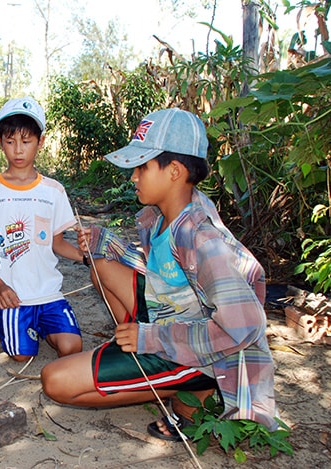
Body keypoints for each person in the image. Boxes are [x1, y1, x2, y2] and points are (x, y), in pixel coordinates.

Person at [40, 108, 278, 440]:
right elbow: (164, 272)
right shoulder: (159, 216)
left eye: (142, 167)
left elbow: (243, 326)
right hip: (169, 319)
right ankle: (163, 375)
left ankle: (196, 388)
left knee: (55, 381)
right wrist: (106, 243)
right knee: (101, 266)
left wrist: (149, 338)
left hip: (198, 349)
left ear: (175, 171)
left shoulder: (202, 239)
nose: (134, 177)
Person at [0, 96, 87, 362]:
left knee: (71, 347)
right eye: (10, 141)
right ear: (0, 142)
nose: (18, 150)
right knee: (21, 356)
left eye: (26, 141)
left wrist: (87, 257)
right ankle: (12, 323)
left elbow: (58, 243)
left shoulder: (53, 191)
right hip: (11, 296)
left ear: (40, 142)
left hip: (49, 294)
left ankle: (43, 326)